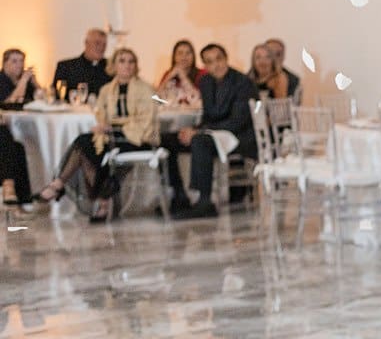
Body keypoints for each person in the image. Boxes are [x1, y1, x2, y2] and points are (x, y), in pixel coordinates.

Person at [35, 48, 159, 221]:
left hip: (137, 137)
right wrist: (104, 127)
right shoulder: (107, 90)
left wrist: (113, 128)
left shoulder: (146, 89)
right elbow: (101, 115)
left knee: (85, 143)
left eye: (131, 61)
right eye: (122, 61)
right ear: (114, 65)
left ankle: (61, 185)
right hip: (112, 137)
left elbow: (145, 121)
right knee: (90, 146)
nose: (127, 66)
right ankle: (102, 200)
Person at [160, 43, 257, 219]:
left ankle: (205, 202)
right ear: (205, 65)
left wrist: (199, 133)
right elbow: (208, 117)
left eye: (219, 59)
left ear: (226, 59)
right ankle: (179, 195)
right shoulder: (206, 82)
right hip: (214, 134)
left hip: (240, 138)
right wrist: (193, 129)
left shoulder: (242, 82)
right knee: (168, 140)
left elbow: (237, 121)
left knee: (200, 141)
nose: (216, 65)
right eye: (210, 62)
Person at [52, 29, 111, 99]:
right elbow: (56, 96)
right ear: (86, 43)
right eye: (97, 43)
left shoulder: (111, 67)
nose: (101, 47)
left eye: (104, 44)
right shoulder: (66, 67)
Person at [154, 40, 204, 107]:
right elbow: (156, 97)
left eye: (188, 53)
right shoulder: (168, 74)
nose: (184, 57)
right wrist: (170, 76)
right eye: (180, 53)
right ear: (174, 57)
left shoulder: (202, 73)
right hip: (171, 114)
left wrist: (182, 76)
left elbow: (197, 98)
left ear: (193, 56)